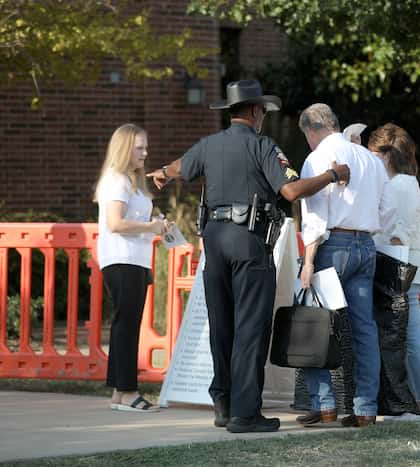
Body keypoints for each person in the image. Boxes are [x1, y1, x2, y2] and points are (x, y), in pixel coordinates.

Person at [147, 80, 350, 433]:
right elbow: (290, 190)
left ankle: (223, 404)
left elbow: (184, 165)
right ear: (256, 111)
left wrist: (163, 173)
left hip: (214, 243)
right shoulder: (263, 146)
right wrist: (333, 175)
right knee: (251, 329)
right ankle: (245, 414)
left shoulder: (209, 145)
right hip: (249, 244)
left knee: (222, 327)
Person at [298, 103, 394, 428]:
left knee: (315, 324)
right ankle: (366, 407)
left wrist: (308, 261)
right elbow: (387, 208)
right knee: (364, 328)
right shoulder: (369, 158)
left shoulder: (316, 158)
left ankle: (324, 403)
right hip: (365, 242)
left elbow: (313, 215)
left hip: (331, 244)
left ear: (312, 130)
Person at [367, 124, 420, 424]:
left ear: (385, 156)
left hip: (400, 266)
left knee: (410, 338)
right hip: (412, 264)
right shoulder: (408, 182)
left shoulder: (395, 186)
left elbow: (393, 233)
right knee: (410, 337)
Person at [95, 123, 169, 413]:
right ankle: (127, 392)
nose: (145, 152)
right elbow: (115, 223)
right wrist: (151, 225)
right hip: (122, 259)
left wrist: (159, 225)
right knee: (126, 325)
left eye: (145, 146)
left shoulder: (132, 181)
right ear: (125, 148)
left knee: (125, 325)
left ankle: (118, 391)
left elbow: (134, 220)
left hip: (134, 259)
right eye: (139, 147)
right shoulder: (117, 180)